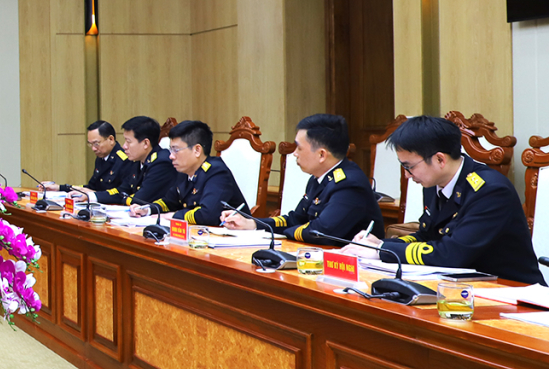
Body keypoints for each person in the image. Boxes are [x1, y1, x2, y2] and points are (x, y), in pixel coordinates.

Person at [337, 115, 544, 284]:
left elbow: (452, 253)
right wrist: (378, 244)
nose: (407, 175)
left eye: (409, 166)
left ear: (439, 159)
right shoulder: (434, 184)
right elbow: (427, 236)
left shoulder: (490, 191)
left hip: (511, 293)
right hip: (462, 287)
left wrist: (383, 251)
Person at [221, 113, 383, 242]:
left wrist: (284, 232)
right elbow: (295, 219)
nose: (294, 153)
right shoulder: (318, 179)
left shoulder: (349, 184)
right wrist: (251, 223)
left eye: (299, 148)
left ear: (321, 155)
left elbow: (321, 232)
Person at [130, 119, 245, 226]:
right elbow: (169, 202)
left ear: (197, 150)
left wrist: (174, 216)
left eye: (176, 150)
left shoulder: (217, 172)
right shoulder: (184, 171)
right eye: (170, 150)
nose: (171, 156)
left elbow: (207, 214)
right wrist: (147, 209)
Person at [52, 120, 130, 204]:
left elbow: (122, 193)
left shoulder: (125, 160)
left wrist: (91, 195)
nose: (93, 149)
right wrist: (60, 188)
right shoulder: (101, 158)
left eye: (96, 144)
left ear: (111, 139)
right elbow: (91, 187)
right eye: (90, 144)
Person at [115, 115, 176, 206]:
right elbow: (123, 189)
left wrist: (123, 198)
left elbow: (140, 199)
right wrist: (93, 196)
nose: (124, 146)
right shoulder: (137, 160)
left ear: (146, 143)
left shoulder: (161, 163)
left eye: (128, 141)